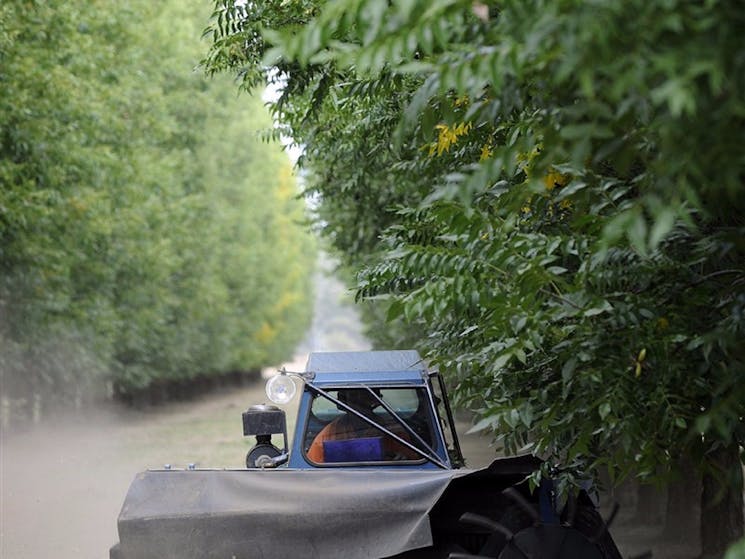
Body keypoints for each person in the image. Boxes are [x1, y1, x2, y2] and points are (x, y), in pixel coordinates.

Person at [306, 389, 419, 463]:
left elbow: (416, 470)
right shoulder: (326, 437)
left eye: (365, 395)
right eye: (354, 395)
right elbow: (313, 475)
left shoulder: (395, 434)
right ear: (342, 401)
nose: (359, 401)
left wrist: (403, 460)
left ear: (375, 399)